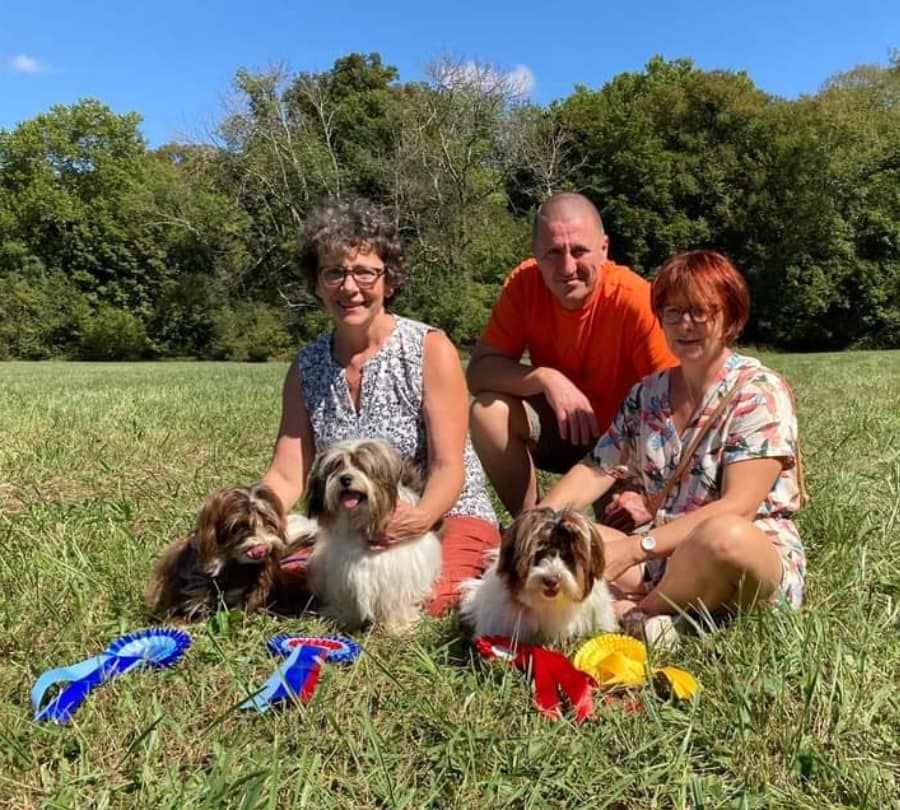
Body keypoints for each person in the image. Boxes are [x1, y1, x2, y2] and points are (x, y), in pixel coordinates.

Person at [540, 250, 807, 641]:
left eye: (701, 311)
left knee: (723, 535)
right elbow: (598, 467)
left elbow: (739, 506)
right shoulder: (646, 394)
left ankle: (634, 616)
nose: (685, 324)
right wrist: (536, 524)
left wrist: (635, 549)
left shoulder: (758, 392)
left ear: (731, 317)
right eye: (673, 311)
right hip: (662, 557)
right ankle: (670, 618)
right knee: (574, 537)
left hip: (742, 559)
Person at [262, 198, 498, 615]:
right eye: (334, 272)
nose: (349, 287)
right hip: (350, 526)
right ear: (316, 284)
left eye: (364, 272)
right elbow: (286, 473)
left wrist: (419, 518)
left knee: (429, 600)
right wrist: (252, 517)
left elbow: (449, 466)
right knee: (276, 585)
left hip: (443, 514)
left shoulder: (429, 348)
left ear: (388, 280)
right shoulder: (306, 367)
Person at [466, 192, 676, 522]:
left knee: (620, 553)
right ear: (535, 254)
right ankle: (528, 525)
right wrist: (545, 377)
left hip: (622, 446)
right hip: (560, 432)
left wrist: (643, 491)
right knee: (488, 411)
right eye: (552, 253)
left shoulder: (635, 298)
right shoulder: (524, 285)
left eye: (579, 251)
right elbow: (478, 373)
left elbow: (674, 403)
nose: (567, 268)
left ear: (604, 248)